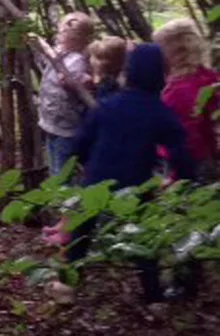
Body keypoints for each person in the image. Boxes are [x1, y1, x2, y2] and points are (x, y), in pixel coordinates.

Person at [59, 44, 195, 305]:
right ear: (161, 75)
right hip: (136, 184)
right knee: (144, 239)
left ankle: (66, 288)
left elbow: (80, 144)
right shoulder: (159, 112)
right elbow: (181, 151)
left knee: (81, 234)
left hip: (97, 180)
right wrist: (183, 181)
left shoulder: (108, 106)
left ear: (127, 72)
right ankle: (153, 297)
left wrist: (88, 165)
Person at [43, 36, 127, 246]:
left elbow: (98, 114)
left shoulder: (111, 88)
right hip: (97, 147)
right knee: (79, 187)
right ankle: (66, 225)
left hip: (100, 149)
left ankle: (72, 232)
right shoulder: (107, 85)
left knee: (81, 189)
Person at [153, 19, 218, 183]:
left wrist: (177, 176)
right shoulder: (210, 78)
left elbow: (186, 137)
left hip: (195, 164)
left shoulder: (178, 90)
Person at [35, 12, 95, 177]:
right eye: (61, 31)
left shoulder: (79, 60)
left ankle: (66, 200)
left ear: (77, 39)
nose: (59, 35)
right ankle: (61, 197)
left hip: (67, 125)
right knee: (54, 166)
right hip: (52, 120)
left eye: (64, 33)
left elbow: (76, 84)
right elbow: (45, 61)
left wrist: (72, 83)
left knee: (62, 171)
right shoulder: (60, 52)